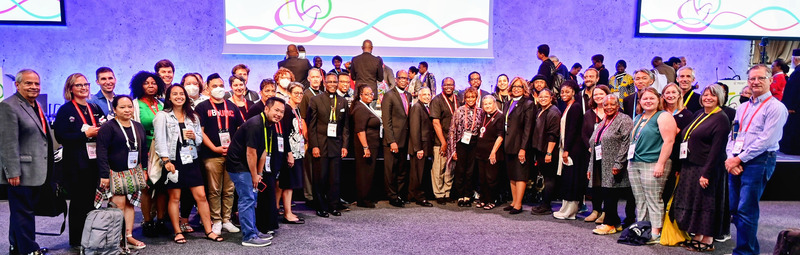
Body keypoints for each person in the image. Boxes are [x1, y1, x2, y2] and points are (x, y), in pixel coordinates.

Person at [725, 64, 788, 254]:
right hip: (737, 159)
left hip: (759, 160)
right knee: (734, 209)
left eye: (761, 78)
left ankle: (745, 252)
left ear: (770, 80)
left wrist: (739, 159)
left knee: (746, 209)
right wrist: (730, 157)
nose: (756, 82)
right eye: (752, 78)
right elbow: (733, 135)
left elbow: (766, 140)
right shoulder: (743, 107)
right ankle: (750, 249)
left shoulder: (776, 107)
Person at [153, 85, 223, 243]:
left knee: (201, 196)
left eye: (181, 94)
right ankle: (177, 231)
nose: (179, 96)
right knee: (175, 197)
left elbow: (199, 139)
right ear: (169, 97)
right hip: (173, 160)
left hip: (191, 158)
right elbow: (159, 141)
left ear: (186, 97)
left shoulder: (193, 116)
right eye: (174, 94)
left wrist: (194, 136)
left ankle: (209, 231)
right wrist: (166, 161)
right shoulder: (162, 116)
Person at [672, 85, 730, 252]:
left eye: (712, 96)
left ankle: (707, 239)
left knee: (707, 205)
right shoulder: (699, 113)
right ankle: (697, 235)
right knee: (695, 203)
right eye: (705, 95)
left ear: (719, 98)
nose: (707, 98)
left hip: (707, 168)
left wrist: (707, 173)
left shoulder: (721, 118)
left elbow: (717, 150)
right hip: (691, 165)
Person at [0, 69, 53, 255]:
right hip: (20, 171)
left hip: (36, 169)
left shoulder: (34, 104)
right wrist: (12, 171)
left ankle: (16, 246)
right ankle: (30, 250)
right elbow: (8, 142)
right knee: (24, 213)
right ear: (17, 85)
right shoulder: (8, 106)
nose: (34, 87)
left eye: (36, 83)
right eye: (28, 83)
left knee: (21, 211)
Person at [226, 97, 288, 247]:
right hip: (238, 165)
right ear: (266, 109)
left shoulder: (270, 124)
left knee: (252, 198)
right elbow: (251, 153)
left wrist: (259, 173)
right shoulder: (255, 124)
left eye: (282, 112)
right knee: (247, 199)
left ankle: (253, 230)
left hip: (249, 165)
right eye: (276, 110)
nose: (279, 114)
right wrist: (254, 175)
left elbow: (264, 151)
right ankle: (248, 237)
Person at [54, 73, 105, 247]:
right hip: (75, 163)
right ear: (70, 89)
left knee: (93, 202)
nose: (84, 88)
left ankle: (90, 238)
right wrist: (85, 134)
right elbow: (61, 136)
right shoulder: (66, 110)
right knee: (78, 202)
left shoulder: (94, 108)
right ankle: (76, 241)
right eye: (79, 85)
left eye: (86, 84)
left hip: (94, 161)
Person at [194, 73, 244, 235]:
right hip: (211, 155)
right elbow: (200, 132)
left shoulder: (232, 106)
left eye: (221, 85)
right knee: (214, 189)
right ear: (207, 88)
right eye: (214, 86)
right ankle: (215, 220)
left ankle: (226, 219)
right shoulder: (202, 107)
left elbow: (239, 129)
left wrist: (234, 149)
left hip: (231, 156)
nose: (218, 89)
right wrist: (215, 148)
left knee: (229, 189)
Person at [96, 95, 148, 250]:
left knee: (131, 205)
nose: (127, 110)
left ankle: (128, 236)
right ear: (114, 109)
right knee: (118, 206)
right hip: (114, 173)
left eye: (129, 107)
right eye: (122, 107)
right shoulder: (108, 127)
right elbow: (102, 152)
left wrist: (144, 169)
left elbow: (143, 149)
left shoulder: (138, 126)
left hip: (133, 172)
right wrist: (104, 174)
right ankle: (116, 239)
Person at [628, 87, 678, 243]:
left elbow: (669, 141)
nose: (648, 101)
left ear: (659, 100)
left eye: (651, 98)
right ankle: (642, 227)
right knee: (640, 198)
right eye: (645, 99)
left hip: (654, 162)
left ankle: (656, 232)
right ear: (640, 101)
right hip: (635, 162)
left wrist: (661, 164)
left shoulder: (663, 116)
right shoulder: (638, 117)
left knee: (653, 198)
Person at [129, 71, 169, 237]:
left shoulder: (161, 104)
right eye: (146, 83)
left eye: (153, 83)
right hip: (143, 150)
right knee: (146, 188)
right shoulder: (135, 105)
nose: (151, 86)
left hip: (162, 150)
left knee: (162, 188)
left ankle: (160, 221)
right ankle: (147, 221)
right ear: (140, 85)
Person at [588, 94, 634, 235]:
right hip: (601, 163)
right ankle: (614, 222)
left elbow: (627, 142)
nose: (608, 107)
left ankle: (610, 224)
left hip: (615, 163)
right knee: (607, 193)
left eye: (612, 104)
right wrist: (590, 167)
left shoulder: (624, 119)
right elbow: (594, 143)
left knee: (610, 194)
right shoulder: (604, 121)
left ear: (618, 105)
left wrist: (619, 163)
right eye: (606, 105)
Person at [308, 72, 350, 217]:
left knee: (335, 178)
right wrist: (314, 146)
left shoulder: (343, 102)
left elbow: (345, 127)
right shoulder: (315, 100)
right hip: (320, 145)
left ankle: (333, 206)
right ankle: (320, 207)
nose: (332, 84)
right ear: (324, 83)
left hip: (336, 145)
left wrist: (345, 146)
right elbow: (311, 126)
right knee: (320, 178)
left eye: (334, 82)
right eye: (329, 82)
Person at [553, 81, 586, 220]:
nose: (564, 94)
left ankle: (570, 211)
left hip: (573, 149)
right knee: (566, 179)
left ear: (573, 92)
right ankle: (565, 208)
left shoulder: (576, 107)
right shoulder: (568, 107)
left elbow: (572, 130)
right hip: (566, 147)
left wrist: (567, 150)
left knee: (572, 179)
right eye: (562, 92)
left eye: (567, 91)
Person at [448, 88, 482, 207]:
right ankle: (460, 195)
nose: (470, 99)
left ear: (476, 97)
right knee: (460, 169)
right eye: (468, 97)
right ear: (465, 98)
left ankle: (468, 195)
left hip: (474, 143)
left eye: (473, 97)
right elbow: (452, 131)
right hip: (461, 142)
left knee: (471, 170)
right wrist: (453, 150)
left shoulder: (480, 112)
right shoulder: (459, 111)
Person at [504, 77, 534, 214]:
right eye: (514, 86)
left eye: (519, 86)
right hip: (508, 144)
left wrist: (523, 148)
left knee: (520, 174)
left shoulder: (528, 104)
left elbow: (528, 128)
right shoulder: (507, 102)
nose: (516, 88)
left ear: (524, 89)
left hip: (521, 145)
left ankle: (519, 204)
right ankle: (514, 201)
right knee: (512, 174)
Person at [382, 70, 412, 207]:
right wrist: (391, 141)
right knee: (391, 170)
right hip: (392, 141)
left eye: (406, 78)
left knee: (402, 170)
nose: (404, 80)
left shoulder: (408, 95)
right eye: (401, 78)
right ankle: (392, 196)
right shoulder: (389, 95)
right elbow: (386, 120)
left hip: (405, 139)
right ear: (396, 79)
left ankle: (400, 195)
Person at [278, 83, 306, 223]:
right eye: (296, 93)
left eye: (301, 93)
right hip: (289, 152)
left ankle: (283, 210)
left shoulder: (297, 109)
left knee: (290, 184)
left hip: (297, 151)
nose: (299, 95)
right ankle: (287, 213)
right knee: (287, 184)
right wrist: (288, 153)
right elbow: (284, 133)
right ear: (289, 93)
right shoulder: (287, 110)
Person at [582, 85, 610, 223]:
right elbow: (584, 133)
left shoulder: (615, 112)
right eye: (596, 95)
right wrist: (589, 147)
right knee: (594, 183)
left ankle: (606, 211)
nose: (598, 97)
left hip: (610, 154)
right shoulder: (589, 113)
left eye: (601, 94)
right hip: (592, 154)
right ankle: (595, 210)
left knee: (607, 183)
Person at [429, 77, 459, 204]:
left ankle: (447, 192)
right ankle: (439, 194)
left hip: (455, 141)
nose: (448, 87)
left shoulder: (458, 99)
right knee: (439, 168)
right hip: (440, 141)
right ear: (442, 86)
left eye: (451, 85)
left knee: (450, 168)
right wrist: (443, 142)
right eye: (446, 85)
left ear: (454, 86)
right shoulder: (437, 100)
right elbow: (436, 122)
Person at [351, 85, 382, 208]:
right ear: (360, 95)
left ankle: (366, 197)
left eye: (371, 94)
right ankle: (363, 199)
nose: (370, 96)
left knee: (368, 172)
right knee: (364, 173)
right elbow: (360, 130)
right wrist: (365, 147)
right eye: (367, 94)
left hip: (372, 144)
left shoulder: (366, 107)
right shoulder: (360, 109)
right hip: (365, 146)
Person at [474, 95, 504, 210]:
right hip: (481, 151)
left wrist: (493, 152)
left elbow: (500, 136)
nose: (487, 106)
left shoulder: (499, 116)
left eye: (489, 103)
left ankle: (492, 200)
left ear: (494, 103)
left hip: (493, 152)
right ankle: (483, 199)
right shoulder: (482, 115)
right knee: (482, 178)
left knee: (491, 178)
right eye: (485, 104)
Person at [408, 87, 435, 207]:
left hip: (424, 146)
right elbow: (414, 129)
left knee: (419, 173)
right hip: (419, 147)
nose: (427, 96)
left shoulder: (425, 107)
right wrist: (418, 148)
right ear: (419, 96)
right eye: (424, 94)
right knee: (418, 173)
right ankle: (419, 197)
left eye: (429, 94)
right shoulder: (416, 108)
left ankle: (413, 195)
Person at [300, 69, 324, 201]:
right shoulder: (306, 95)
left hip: (321, 137)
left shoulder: (322, 94)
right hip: (310, 137)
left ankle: (318, 194)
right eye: (313, 77)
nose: (315, 79)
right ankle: (309, 196)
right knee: (309, 169)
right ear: (308, 79)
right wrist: (308, 138)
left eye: (317, 77)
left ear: (321, 78)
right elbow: (303, 119)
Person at [780, 49, 800, 155]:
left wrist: (790, 106)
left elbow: (794, 90)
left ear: (795, 59)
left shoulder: (797, 73)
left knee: (793, 130)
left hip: (795, 109)